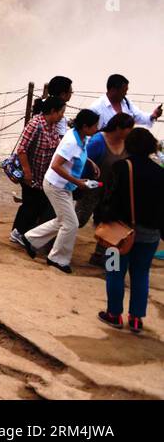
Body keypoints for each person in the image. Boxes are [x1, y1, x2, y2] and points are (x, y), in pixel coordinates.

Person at [97, 128, 164, 333]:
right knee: (141, 274)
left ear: (129, 145)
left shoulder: (120, 168)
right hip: (150, 235)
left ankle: (113, 314)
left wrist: (101, 220)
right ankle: (136, 319)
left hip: (117, 235)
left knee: (113, 271)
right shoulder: (160, 172)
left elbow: (107, 198)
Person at [22, 108, 101, 273]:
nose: (97, 129)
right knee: (71, 224)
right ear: (85, 126)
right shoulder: (72, 141)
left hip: (64, 186)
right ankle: (57, 259)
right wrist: (77, 182)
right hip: (56, 186)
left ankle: (30, 239)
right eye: (94, 126)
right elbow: (56, 165)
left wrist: (90, 162)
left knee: (63, 220)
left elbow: (77, 155)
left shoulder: (80, 136)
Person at [79, 112, 134, 266]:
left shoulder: (126, 144)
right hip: (93, 188)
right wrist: (80, 184)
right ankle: (52, 241)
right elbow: (85, 163)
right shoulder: (98, 141)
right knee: (79, 219)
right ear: (118, 128)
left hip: (113, 192)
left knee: (110, 226)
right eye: (128, 128)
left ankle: (104, 260)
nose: (130, 132)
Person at [9, 96, 64, 243]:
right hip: (32, 174)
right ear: (53, 111)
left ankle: (21, 232)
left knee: (37, 205)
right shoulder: (36, 124)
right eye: (61, 112)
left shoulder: (52, 125)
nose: (62, 116)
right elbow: (22, 149)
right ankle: (18, 233)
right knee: (31, 205)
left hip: (43, 175)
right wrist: (27, 172)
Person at [90, 74, 160, 130]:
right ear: (113, 90)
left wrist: (152, 116)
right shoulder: (96, 108)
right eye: (124, 91)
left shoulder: (126, 102)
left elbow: (138, 116)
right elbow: (91, 133)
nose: (126, 94)